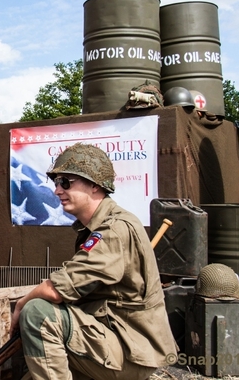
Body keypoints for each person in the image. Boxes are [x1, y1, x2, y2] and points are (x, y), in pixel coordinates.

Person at [10, 143, 177, 380]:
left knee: (38, 312)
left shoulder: (115, 229)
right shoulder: (95, 229)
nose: (58, 190)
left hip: (129, 351)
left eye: (66, 182)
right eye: (56, 183)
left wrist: (20, 306)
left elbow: (58, 289)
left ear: (95, 185)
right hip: (109, 341)